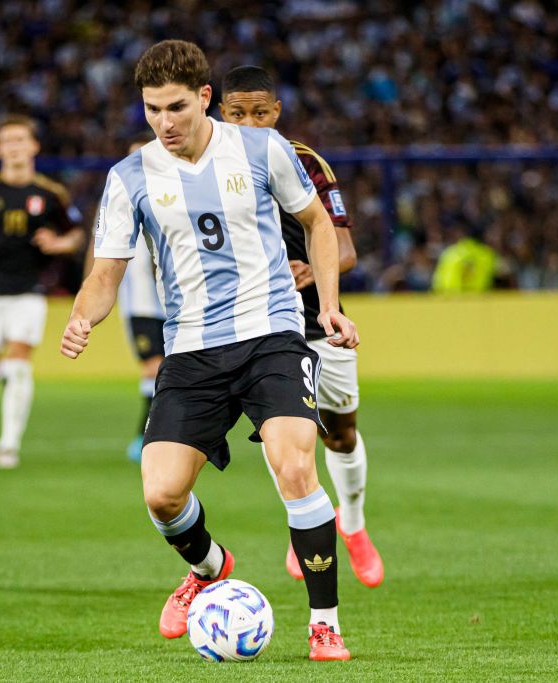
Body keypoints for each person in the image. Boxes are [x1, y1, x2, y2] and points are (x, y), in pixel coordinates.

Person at [61, 40, 359, 661]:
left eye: (175, 107)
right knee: (161, 493)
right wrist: (81, 319)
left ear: (204, 99)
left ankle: (324, 624)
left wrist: (328, 305)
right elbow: (106, 273)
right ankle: (209, 567)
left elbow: (318, 222)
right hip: (192, 349)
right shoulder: (130, 177)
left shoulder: (261, 148)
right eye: (151, 110)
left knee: (295, 462)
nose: (164, 123)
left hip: (272, 333)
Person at [219, 65, 384, 590]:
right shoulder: (203, 166)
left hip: (317, 319)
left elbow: (347, 248)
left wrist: (312, 270)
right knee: (282, 435)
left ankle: (352, 526)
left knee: (340, 433)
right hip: (260, 327)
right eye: (238, 113)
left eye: (260, 112)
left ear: (277, 111)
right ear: (220, 112)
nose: (250, 122)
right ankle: (304, 525)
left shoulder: (305, 162)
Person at [0, 114, 84, 469]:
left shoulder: (50, 193)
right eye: (7, 141)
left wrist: (58, 242)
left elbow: (76, 235)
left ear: (34, 146)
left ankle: (8, 446)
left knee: (20, 365)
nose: (14, 147)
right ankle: (3, 373)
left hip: (30, 291)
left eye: (20, 140)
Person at [83, 133, 166, 464]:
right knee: (153, 368)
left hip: (178, 303)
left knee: (170, 371)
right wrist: (87, 296)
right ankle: (144, 435)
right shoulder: (117, 199)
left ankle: (163, 435)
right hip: (141, 303)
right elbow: (99, 255)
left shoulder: (176, 195)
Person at [431, 227, 498, 293]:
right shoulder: (488, 255)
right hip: (478, 297)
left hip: (449, 296)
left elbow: (437, 281)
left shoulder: (450, 252)